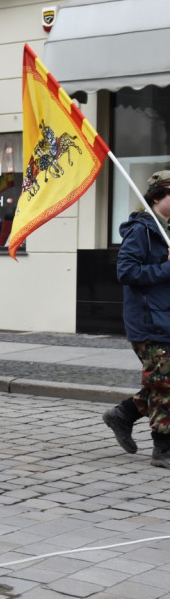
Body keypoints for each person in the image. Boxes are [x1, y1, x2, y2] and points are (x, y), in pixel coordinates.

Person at [102, 171, 170, 469]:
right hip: (149, 322)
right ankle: (163, 449)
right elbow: (127, 273)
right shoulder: (141, 230)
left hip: (166, 317)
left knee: (161, 381)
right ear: (158, 197)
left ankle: (124, 414)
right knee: (165, 385)